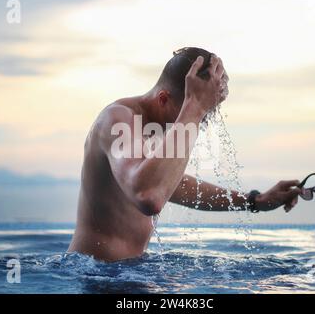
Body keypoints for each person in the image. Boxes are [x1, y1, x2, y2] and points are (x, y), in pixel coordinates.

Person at [68, 47, 301, 261]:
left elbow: (175, 186)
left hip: (130, 275)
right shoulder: (117, 119)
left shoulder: (154, 131)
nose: (196, 122)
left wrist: (254, 200)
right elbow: (148, 195)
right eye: (191, 112)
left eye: (205, 114)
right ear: (163, 99)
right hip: (94, 277)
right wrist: (194, 108)